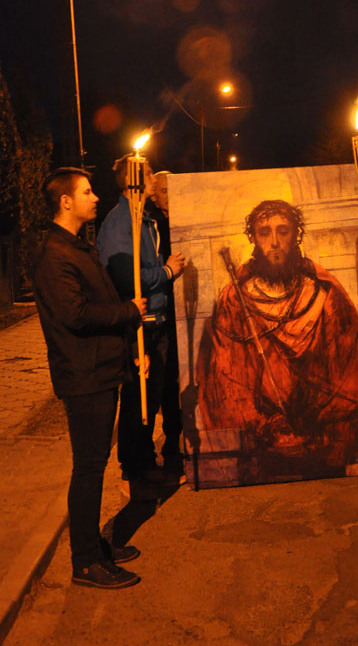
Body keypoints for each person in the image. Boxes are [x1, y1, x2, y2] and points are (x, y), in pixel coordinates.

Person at [197, 199, 358, 482]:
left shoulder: (324, 295)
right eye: (264, 232)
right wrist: (269, 428)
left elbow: (348, 373)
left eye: (283, 231)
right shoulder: (235, 301)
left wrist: (329, 432)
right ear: (253, 238)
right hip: (262, 450)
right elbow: (228, 379)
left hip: (323, 447)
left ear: (296, 235)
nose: (274, 242)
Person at [33, 167, 146, 589]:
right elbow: (76, 315)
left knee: (94, 466)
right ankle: (85, 561)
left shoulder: (75, 247)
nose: (95, 197)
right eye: (86, 191)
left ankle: (94, 545)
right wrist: (129, 311)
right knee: (89, 468)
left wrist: (128, 347)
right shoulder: (54, 255)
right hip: (84, 376)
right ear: (66, 201)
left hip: (99, 369)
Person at [97, 155, 185, 498]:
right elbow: (125, 276)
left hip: (155, 321)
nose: (153, 179)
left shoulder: (142, 219)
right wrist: (167, 271)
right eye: (148, 173)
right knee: (138, 400)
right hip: (140, 325)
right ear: (134, 179)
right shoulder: (121, 222)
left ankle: (146, 464)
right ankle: (133, 471)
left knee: (151, 397)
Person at [147, 170, 183, 474]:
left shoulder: (187, 217)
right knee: (169, 379)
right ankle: (172, 441)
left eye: (174, 188)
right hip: (166, 311)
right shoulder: (153, 226)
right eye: (163, 190)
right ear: (155, 196)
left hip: (187, 306)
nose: (170, 194)